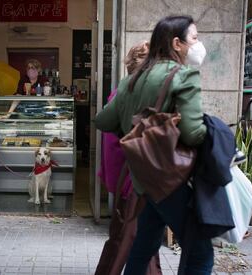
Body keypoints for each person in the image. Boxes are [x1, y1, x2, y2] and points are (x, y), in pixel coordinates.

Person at [95, 15, 213, 275]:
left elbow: (103, 120)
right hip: (172, 181)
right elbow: (193, 134)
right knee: (200, 252)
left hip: (142, 182)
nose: (198, 43)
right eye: (194, 37)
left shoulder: (131, 80)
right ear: (177, 43)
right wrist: (214, 133)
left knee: (143, 247)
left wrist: (133, 131)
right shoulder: (184, 76)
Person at [96, 41, 162, 275]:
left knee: (134, 241)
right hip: (134, 183)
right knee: (124, 241)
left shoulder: (122, 92)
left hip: (129, 181)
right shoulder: (136, 96)